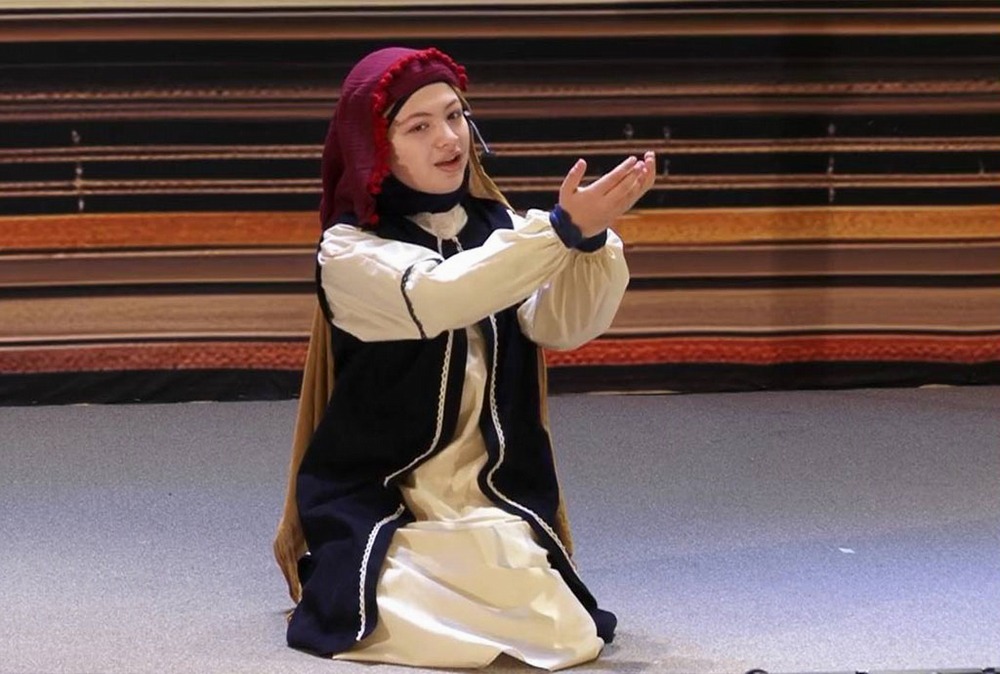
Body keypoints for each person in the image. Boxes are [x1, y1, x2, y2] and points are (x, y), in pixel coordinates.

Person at [272, 45, 656, 670]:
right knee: (394, 599)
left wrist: (588, 243)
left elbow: (561, 326)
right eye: (419, 126)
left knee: (554, 622)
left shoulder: (502, 227)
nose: (448, 139)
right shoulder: (350, 250)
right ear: (377, 148)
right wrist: (560, 231)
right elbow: (440, 295)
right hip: (386, 493)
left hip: (489, 493)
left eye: (454, 116)